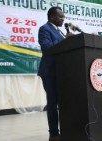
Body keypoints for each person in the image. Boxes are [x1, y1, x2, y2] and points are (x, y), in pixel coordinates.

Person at [38, 7, 75, 141]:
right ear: (52, 16)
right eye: (60, 16)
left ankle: (66, 129)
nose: (63, 19)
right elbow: (47, 48)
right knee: (53, 102)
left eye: (63, 16)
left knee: (63, 102)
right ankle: (53, 133)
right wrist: (65, 39)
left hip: (61, 71)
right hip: (49, 71)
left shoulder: (59, 31)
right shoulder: (44, 29)